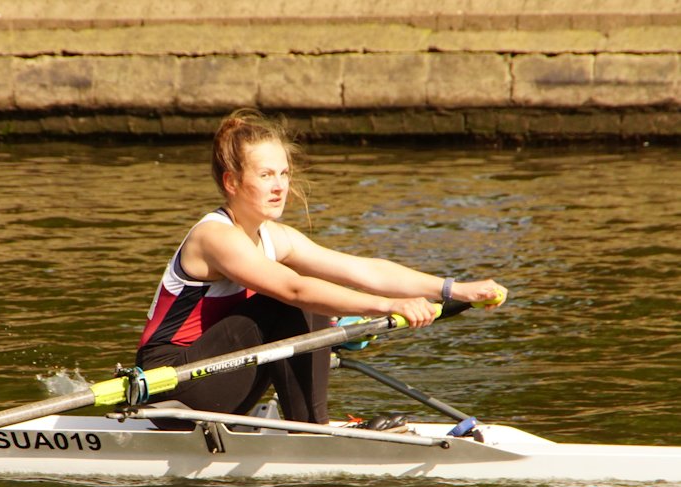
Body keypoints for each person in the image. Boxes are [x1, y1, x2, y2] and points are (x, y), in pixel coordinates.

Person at [136, 109, 507, 426]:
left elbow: (365, 271)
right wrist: (387, 306)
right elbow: (295, 290)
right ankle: (313, 429)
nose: (280, 186)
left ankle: (310, 425)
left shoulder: (275, 237)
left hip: (219, 378)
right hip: (171, 387)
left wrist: (454, 289)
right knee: (296, 298)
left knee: (310, 301)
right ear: (232, 182)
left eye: (283, 174)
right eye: (266, 175)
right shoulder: (214, 237)